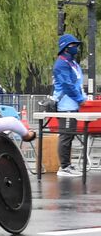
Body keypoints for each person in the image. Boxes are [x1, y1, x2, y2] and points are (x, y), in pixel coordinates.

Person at [53, 33, 87, 177]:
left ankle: (68, 165)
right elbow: (67, 85)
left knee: (70, 135)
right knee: (66, 136)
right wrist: (80, 98)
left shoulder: (72, 63)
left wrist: (82, 96)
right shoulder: (61, 64)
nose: (76, 48)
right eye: (74, 45)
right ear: (66, 48)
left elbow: (76, 82)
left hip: (73, 105)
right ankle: (64, 167)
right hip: (65, 105)